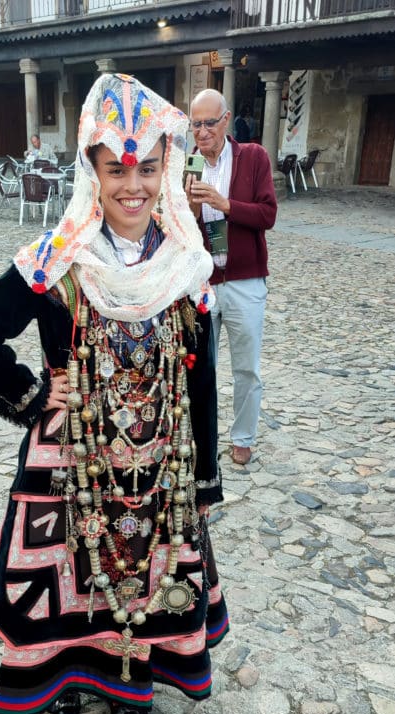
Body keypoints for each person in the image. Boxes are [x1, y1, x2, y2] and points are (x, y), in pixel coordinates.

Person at [0, 73, 229, 714]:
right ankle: (70, 679)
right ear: (93, 171)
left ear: (165, 167)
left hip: (159, 456)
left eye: (145, 168)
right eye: (115, 169)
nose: (132, 186)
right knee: (73, 574)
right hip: (70, 453)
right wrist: (29, 392)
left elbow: (200, 379)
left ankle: (132, 690)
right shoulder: (59, 257)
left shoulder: (184, 263)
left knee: (144, 570)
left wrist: (201, 481)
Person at [186, 89, 277, 465]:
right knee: (199, 366)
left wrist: (224, 204)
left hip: (244, 280)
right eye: (196, 124)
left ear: (226, 120)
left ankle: (243, 437)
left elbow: (267, 215)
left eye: (210, 122)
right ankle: (200, 437)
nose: (203, 131)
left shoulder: (253, 157)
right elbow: (180, 230)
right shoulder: (188, 164)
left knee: (246, 368)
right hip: (203, 282)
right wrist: (190, 210)